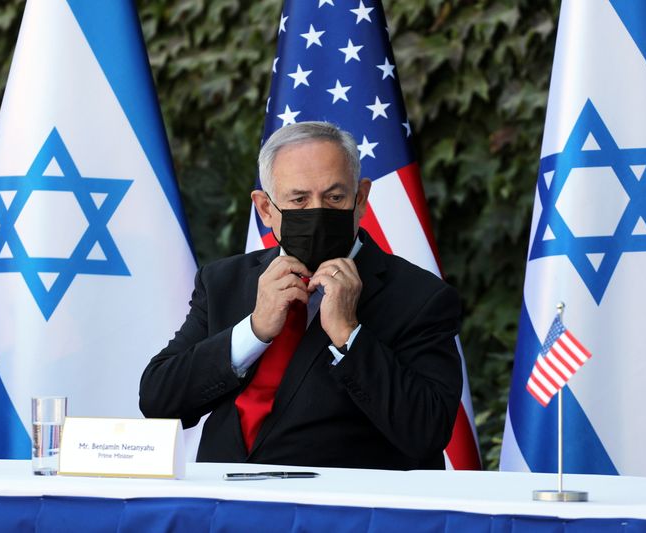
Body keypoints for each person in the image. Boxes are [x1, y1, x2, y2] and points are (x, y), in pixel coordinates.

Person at [139, 121, 462, 470]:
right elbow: (159, 400)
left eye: (334, 197)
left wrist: (349, 335)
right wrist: (254, 330)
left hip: (339, 515)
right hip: (223, 510)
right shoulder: (223, 281)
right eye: (298, 199)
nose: (317, 213)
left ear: (361, 199)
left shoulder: (420, 297)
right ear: (265, 208)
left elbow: (427, 432)